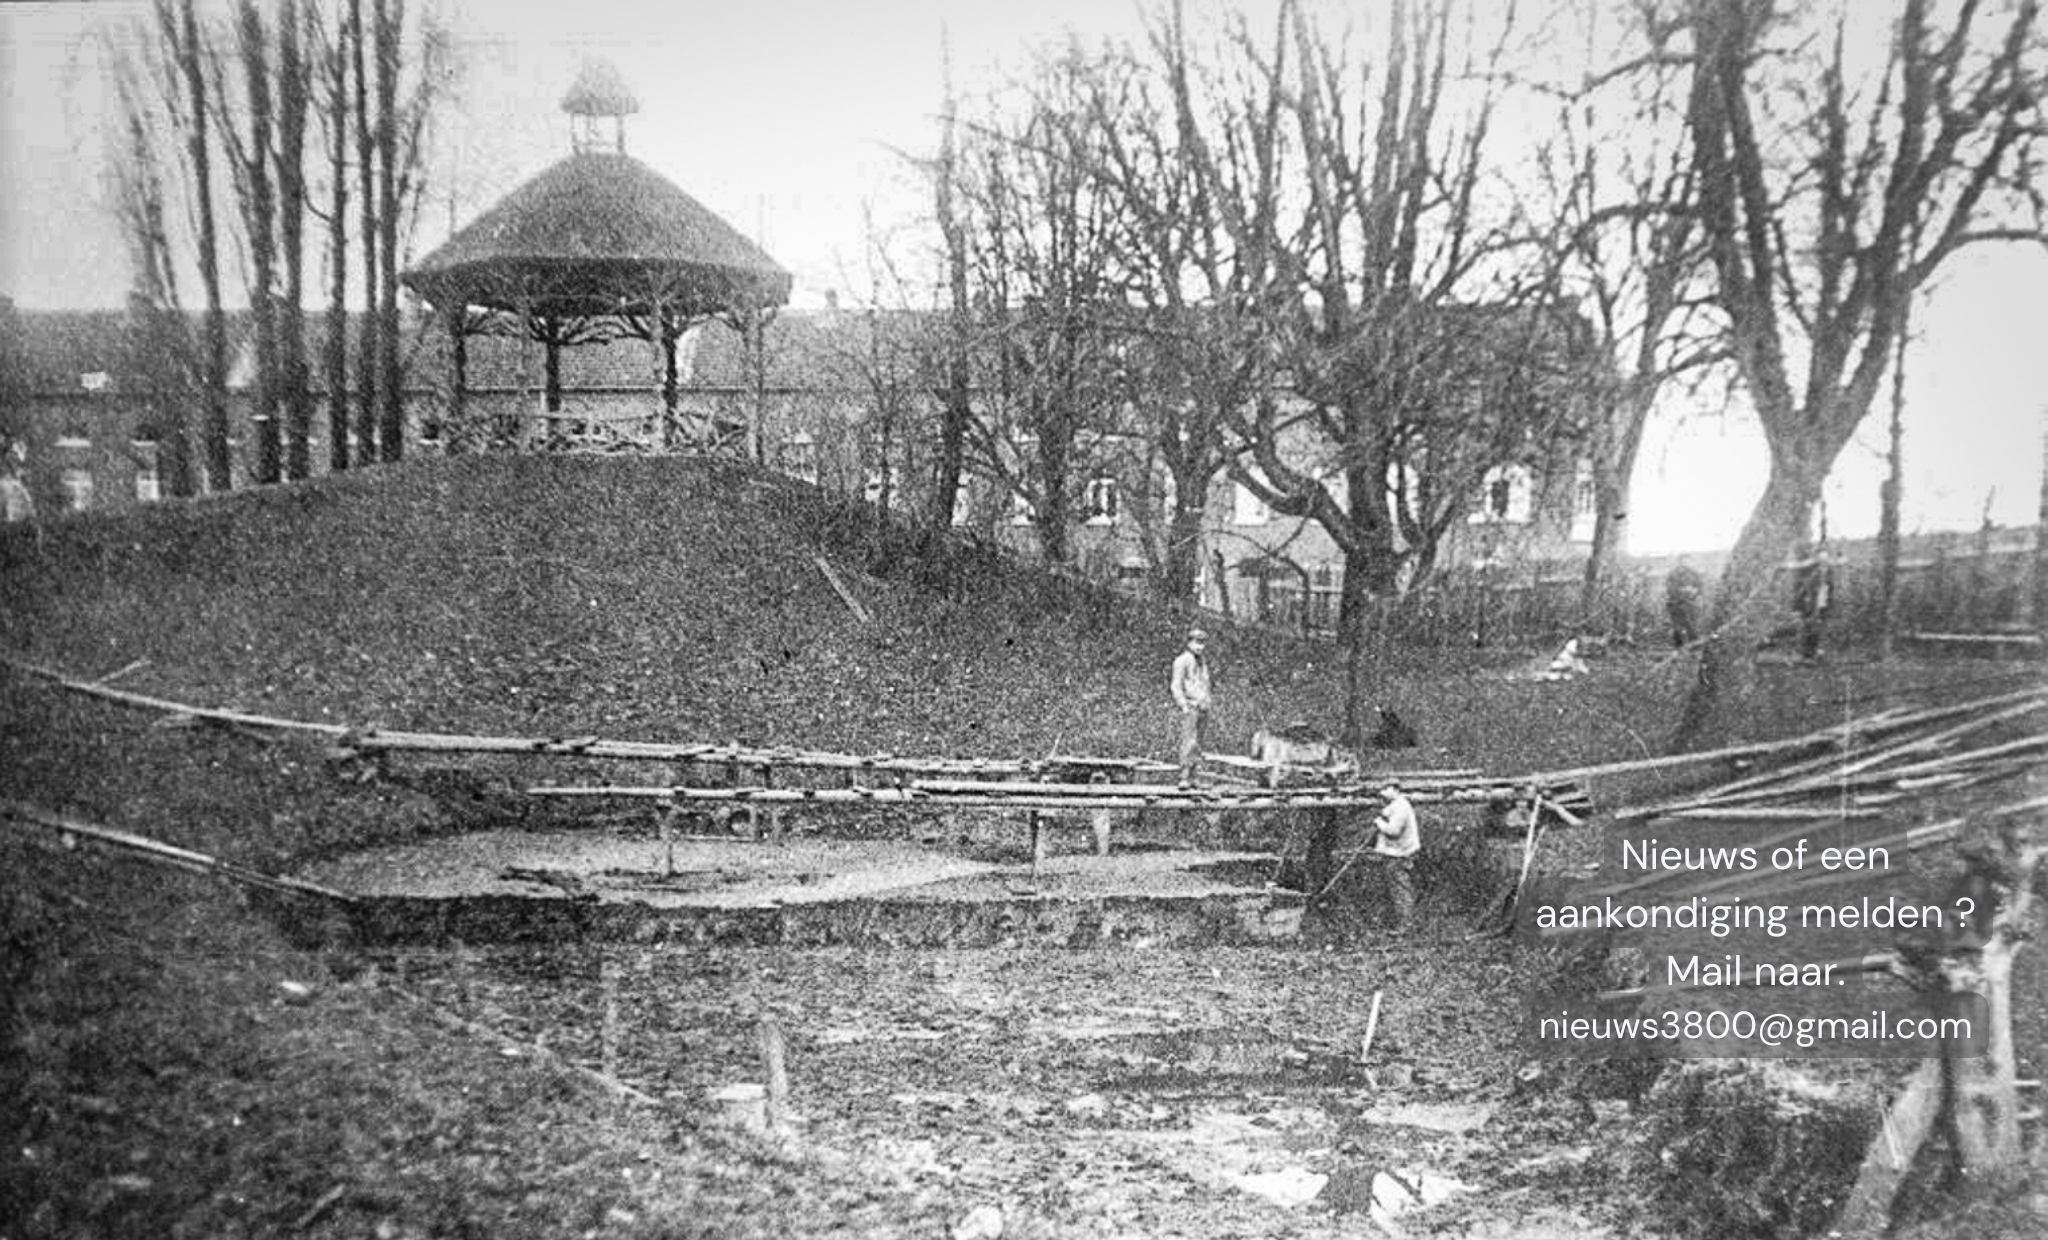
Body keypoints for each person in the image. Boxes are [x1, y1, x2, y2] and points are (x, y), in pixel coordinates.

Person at [1372, 782, 1421, 932]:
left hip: (1400, 854)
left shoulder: (1401, 807)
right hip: (1397, 852)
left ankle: (1405, 926)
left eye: (1385, 789)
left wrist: (1379, 822)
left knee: (1400, 890)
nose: (1382, 792)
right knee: (1396, 888)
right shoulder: (1396, 804)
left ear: (1395, 790)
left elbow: (1393, 831)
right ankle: (1400, 922)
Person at [1170, 627, 1213, 786]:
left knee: (1198, 744)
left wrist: (1207, 703)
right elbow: (1176, 686)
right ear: (1189, 643)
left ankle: (1194, 776)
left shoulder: (1202, 662)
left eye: (1202, 643)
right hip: (1191, 706)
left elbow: (1204, 684)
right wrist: (1183, 705)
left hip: (1203, 707)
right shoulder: (1181, 661)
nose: (1200, 647)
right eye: (1196, 643)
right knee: (1189, 742)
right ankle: (1184, 776)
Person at [1790, 543, 1835, 661]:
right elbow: (1805, 590)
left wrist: (1829, 602)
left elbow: (1830, 589)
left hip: (1823, 604)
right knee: (1809, 627)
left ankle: (1816, 652)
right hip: (1812, 605)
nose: (1823, 561)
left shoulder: (1829, 572)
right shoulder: (1813, 574)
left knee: (1820, 628)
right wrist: (1798, 606)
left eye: (1825, 559)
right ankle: (1808, 654)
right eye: (1821, 559)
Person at [1664, 559, 1704, 648]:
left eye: (1688, 561)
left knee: (1692, 625)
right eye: (1684, 561)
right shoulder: (1674, 574)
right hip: (1676, 604)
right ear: (1680, 562)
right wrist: (1682, 591)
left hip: (1691, 604)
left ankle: (1694, 645)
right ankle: (1678, 645)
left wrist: (1694, 592)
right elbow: (1670, 588)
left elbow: (1700, 586)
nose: (1686, 563)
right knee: (1677, 626)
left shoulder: (1694, 573)